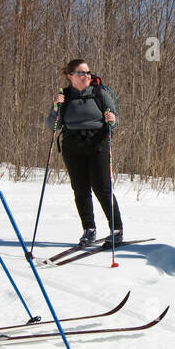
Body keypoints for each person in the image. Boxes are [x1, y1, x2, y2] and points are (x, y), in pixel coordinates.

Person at [48, 59, 121, 247]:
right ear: (70, 76)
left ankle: (117, 229)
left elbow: (115, 120)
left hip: (97, 142)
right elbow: (53, 125)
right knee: (80, 189)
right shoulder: (63, 96)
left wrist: (112, 119)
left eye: (88, 73)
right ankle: (89, 229)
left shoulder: (100, 93)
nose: (87, 76)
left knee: (102, 188)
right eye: (82, 73)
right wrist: (56, 107)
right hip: (72, 144)